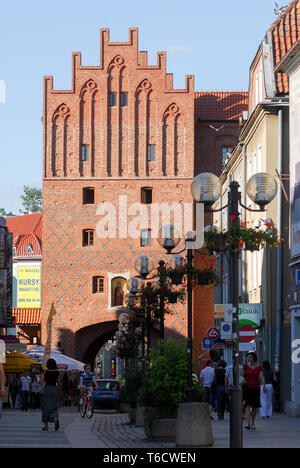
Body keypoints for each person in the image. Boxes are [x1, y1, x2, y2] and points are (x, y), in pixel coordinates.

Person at [242, 352, 266, 430]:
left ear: (253, 358)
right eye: (248, 357)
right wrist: (243, 381)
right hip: (247, 388)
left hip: (256, 388)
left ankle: (253, 423)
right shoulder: (245, 366)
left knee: (255, 406)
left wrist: (264, 386)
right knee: (247, 405)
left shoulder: (259, 367)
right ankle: (248, 424)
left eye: (249, 357)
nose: (248, 359)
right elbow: (241, 376)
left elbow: (262, 376)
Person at [40, 358, 60, 431]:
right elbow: (59, 383)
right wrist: (59, 391)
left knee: (46, 408)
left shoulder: (45, 372)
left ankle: (46, 426)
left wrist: (42, 376)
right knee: (54, 407)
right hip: (54, 390)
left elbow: (41, 382)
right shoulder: (57, 372)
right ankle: (55, 419)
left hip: (47, 390)